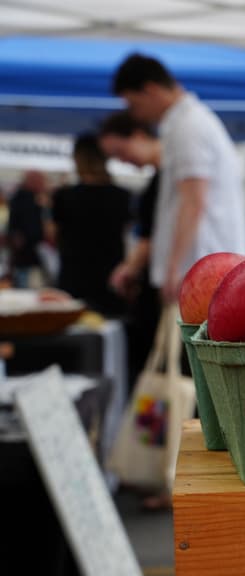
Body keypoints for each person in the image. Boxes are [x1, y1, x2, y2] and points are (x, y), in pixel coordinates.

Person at [111, 52, 245, 307]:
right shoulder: (186, 124)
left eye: (133, 104)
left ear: (151, 90)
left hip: (203, 273)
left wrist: (174, 268)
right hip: (203, 270)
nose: (135, 114)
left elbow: (193, 202)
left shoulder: (189, 126)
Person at [98, 111, 163, 392]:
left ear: (138, 135)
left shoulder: (165, 180)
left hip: (160, 291)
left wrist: (128, 269)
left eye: (120, 152)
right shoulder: (162, 178)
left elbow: (150, 238)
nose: (122, 160)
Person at [48, 134, 133, 317]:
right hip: (110, 276)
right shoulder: (122, 196)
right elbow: (127, 232)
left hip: (73, 275)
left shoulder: (64, 196)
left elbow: (51, 234)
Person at [6, 170, 51, 289]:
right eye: (41, 181)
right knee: (26, 282)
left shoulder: (27, 197)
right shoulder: (23, 198)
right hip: (26, 249)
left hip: (30, 249)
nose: (43, 184)